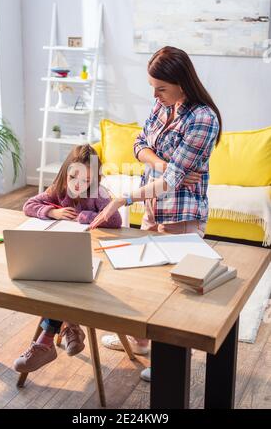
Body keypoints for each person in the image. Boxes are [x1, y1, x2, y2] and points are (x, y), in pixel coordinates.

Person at [89, 46, 222, 382]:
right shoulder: (163, 105)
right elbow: (138, 143)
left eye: (161, 87)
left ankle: (170, 366)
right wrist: (162, 163)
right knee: (146, 280)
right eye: (152, 87)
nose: (155, 94)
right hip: (153, 206)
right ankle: (142, 341)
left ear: (182, 82)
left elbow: (173, 183)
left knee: (175, 290)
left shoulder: (203, 119)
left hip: (181, 213)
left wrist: (125, 198)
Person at [13, 144, 122, 374]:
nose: (78, 184)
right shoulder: (57, 190)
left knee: (61, 279)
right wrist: (52, 212)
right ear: (65, 172)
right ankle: (70, 326)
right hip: (64, 258)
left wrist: (85, 216)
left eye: (86, 180)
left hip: (93, 260)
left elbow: (116, 221)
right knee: (54, 276)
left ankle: (47, 339)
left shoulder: (98, 194)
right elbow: (28, 205)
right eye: (73, 176)